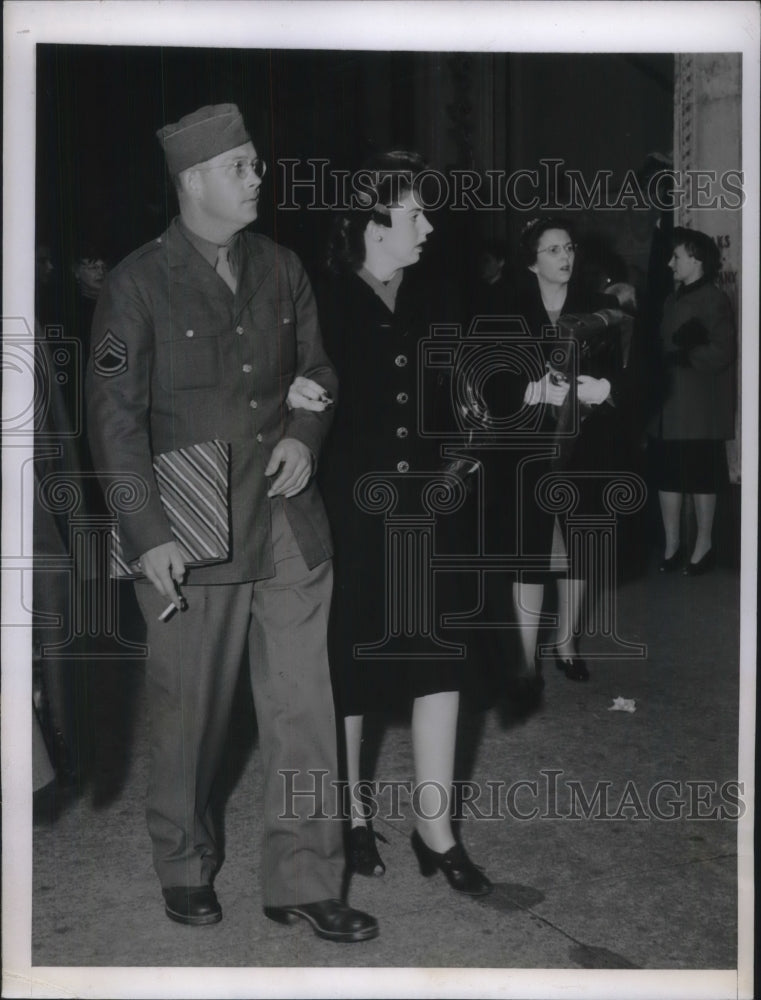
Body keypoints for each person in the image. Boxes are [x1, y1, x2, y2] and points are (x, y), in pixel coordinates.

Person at [86, 104, 378, 942]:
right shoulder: (135, 283)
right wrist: (148, 538)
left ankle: (306, 878)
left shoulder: (283, 268)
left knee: (303, 711)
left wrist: (304, 434)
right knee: (190, 712)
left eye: (255, 163)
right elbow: (113, 420)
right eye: (241, 166)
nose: (258, 177)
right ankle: (183, 864)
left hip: (286, 520)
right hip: (189, 526)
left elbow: (317, 370)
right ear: (193, 181)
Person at [296, 152, 491, 896]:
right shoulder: (320, 300)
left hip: (431, 511)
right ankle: (348, 817)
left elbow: (469, 394)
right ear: (374, 223)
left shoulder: (441, 296)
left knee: (441, 662)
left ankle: (434, 828)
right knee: (348, 666)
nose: (428, 226)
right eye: (415, 213)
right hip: (350, 508)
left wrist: (471, 452)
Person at [494, 217, 633, 685]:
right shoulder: (506, 307)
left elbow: (633, 370)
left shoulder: (601, 308)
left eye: (568, 247)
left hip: (587, 445)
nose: (565, 257)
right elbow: (487, 374)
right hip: (528, 445)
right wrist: (531, 391)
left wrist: (605, 385)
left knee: (579, 546)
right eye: (552, 250)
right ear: (532, 262)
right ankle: (525, 657)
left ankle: (566, 643)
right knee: (528, 548)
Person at [649, 227, 736, 575]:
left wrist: (690, 353)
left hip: (700, 407)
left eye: (677, 257)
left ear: (697, 259)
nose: (671, 264)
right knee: (668, 475)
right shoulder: (673, 299)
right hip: (670, 405)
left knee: (702, 477)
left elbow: (724, 351)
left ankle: (704, 544)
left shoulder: (714, 298)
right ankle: (672, 546)